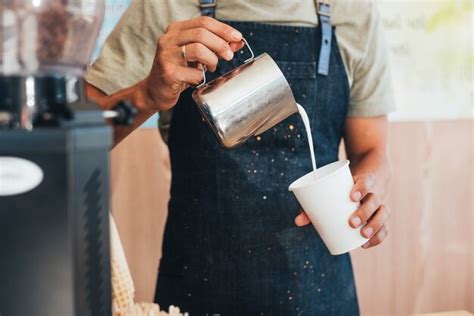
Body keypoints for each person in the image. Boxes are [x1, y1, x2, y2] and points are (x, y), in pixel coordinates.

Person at [86, 0, 395, 314]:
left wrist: (367, 192)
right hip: (196, 291)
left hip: (319, 292)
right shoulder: (165, 6)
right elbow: (70, 139)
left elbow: (371, 152)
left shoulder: (354, 12)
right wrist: (147, 94)